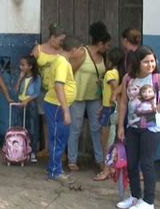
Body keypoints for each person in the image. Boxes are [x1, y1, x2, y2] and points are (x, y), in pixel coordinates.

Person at [116, 46, 160, 209]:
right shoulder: (128, 79)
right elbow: (123, 103)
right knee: (132, 163)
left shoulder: (157, 78)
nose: (150, 64)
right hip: (132, 127)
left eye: (152, 60)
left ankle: (148, 201)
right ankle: (135, 196)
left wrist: (159, 108)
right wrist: (121, 125)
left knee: (147, 162)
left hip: (152, 128)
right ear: (137, 62)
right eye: (146, 61)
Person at [67, 22, 111, 172]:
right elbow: (69, 71)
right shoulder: (82, 53)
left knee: (97, 127)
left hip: (95, 97)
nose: (108, 47)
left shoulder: (103, 56)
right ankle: (72, 159)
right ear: (100, 43)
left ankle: (100, 160)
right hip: (78, 96)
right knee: (75, 128)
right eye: (106, 44)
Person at [44, 36, 82, 183]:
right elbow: (59, 86)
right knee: (57, 137)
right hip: (57, 106)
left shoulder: (62, 61)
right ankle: (54, 171)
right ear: (73, 50)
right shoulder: (62, 63)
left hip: (59, 105)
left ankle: (56, 168)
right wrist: (66, 111)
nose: (81, 52)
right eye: (80, 49)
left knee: (60, 137)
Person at [31, 23, 66, 158]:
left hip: (57, 91)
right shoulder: (38, 49)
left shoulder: (62, 52)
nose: (61, 43)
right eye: (60, 40)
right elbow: (31, 65)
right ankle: (47, 148)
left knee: (58, 120)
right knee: (45, 119)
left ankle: (59, 151)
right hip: (42, 90)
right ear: (52, 37)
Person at [94, 47, 125, 181]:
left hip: (111, 110)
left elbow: (115, 92)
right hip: (108, 108)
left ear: (110, 60)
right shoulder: (118, 73)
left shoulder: (110, 73)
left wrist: (115, 107)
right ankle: (112, 168)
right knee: (110, 141)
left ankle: (106, 170)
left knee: (106, 142)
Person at [13, 55, 42, 162]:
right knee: (21, 126)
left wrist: (27, 100)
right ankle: (21, 150)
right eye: (20, 65)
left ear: (30, 66)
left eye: (23, 65)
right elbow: (16, 90)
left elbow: (37, 93)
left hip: (31, 104)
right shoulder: (22, 77)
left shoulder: (36, 78)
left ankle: (33, 151)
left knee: (32, 128)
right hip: (20, 104)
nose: (21, 67)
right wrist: (20, 78)